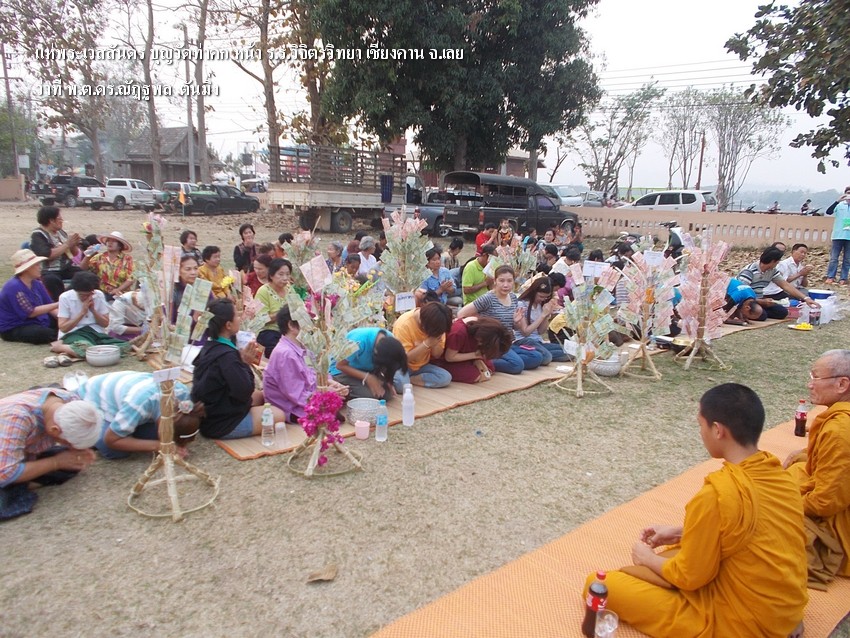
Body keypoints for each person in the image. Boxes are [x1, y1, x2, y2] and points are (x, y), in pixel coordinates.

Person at [590, 383, 808, 638]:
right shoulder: (780, 476)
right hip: (788, 611)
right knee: (681, 549)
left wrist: (646, 558)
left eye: (700, 425)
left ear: (717, 430)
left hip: (743, 624)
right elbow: (754, 532)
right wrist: (682, 532)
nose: (700, 432)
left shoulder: (717, 494)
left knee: (600, 585)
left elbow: (689, 576)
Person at [784, 349, 850, 587]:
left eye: (815, 377)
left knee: (763, 516)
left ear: (842, 384)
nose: (809, 384)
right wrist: (805, 455)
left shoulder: (840, 430)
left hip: (839, 522)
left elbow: (826, 502)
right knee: (791, 472)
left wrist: (781, 505)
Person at [0, 389, 101, 521]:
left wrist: (78, 450)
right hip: (4, 464)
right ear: (55, 430)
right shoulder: (17, 419)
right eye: (68, 442)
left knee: (72, 463)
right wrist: (55, 462)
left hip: (19, 451)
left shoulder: (70, 401)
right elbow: (5, 473)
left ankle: (21, 481)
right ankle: (19, 484)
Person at [191, 299, 284, 439]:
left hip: (214, 410)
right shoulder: (227, 357)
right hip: (222, 423)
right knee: (279, 414)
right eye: (236, 316)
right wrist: (245, 363)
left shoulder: (210, 346)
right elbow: (244, 391)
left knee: (261, 395)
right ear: (228, 325)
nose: (240, 318)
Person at [75, 371, 199, 460]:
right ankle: (89, 427)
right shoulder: (139, 403)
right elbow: (111, 440)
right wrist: (159, 446)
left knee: (148, 436)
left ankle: (129, 429)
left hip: (132, 394)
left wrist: (176, 443)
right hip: (96, 398)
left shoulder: (184, 397)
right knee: (114, 450)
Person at [264, 306, 349, 422]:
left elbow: (315, 373)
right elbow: (296, 395)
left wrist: (331, 383)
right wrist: (326, 392)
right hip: (291, 406)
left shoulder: (303, 346)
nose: (312, 326)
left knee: (343, 398)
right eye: (307, 321)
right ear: (291, 325)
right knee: (332, 418)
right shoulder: (285, 353)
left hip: (307, 396)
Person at [458, 265, 544, 374]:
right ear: (495, 281)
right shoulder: (488, 298)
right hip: (492, 344)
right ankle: (484, 360)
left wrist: (516, 321)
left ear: (513, 282)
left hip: (507, 343)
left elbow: (515, 327)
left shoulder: (513, 297)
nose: (505, 285)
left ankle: (500, 359)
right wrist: (478, 325)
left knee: (537, 357)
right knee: (517, 366)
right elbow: (461, 314)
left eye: (509, 281)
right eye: (501, 281)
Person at [49, 271, 132, 366]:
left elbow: (105, 323)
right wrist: (82, 313)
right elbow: (63, 327)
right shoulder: (65, 297)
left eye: (89, 294)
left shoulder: (98, 295)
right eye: (82, 295)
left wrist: (93, 310)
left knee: (124, 347)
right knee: (86, 349)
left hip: (95, 332)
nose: (86, 297)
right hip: (74, 332)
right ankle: (60, 347)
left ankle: (80, 350)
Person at [736, 247, 819, 320]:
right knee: (761, 314)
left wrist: (806, 298)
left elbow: (785, 285)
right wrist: (761, 301)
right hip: (746, 300)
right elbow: (741, 294)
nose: (778, 263)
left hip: (758, 299)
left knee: (782, 312)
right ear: (773, 261)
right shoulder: (749, 271)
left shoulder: (772, 271)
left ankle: (756, 312)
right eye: (778, 261)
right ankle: (744, 312)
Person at [331, 327, 408, 400]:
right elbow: (340, 366)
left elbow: (389, 364)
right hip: (342, 370)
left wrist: (389, 381)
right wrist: (368, 378)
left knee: (386, 394)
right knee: (371, 396)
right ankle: (343, 389)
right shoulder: (357, 341)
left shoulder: (390, 340)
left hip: (366, 369)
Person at [0, 249, 58, 344]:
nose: (40, 268)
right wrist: (58, 304)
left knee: (60, 322)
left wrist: (61, 318)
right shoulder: (14, 287)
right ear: (27, 268)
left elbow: (48, 304)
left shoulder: (37, 283)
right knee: (42, 333)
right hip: (14, 326)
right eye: (36, 265)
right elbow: (30, 312)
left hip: (34, 320)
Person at [434, 316, 512, 383]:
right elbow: (449, 357)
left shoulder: (481, 328)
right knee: (475, 375)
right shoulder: (458, 332)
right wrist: (476, 355)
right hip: (444, 360)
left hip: (467, 354)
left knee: (490, 368)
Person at [392, 301, 453, 388]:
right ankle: (403, 379)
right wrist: (426, 344)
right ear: (423, 325)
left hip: (422, 366)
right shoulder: (404, 325)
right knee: (401, 386)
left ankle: (411, 380)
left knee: (445, 378)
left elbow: (437, 355)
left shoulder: (438, 325)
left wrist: (434, 343)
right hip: (401, 365)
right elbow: (403, 359)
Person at [29, 205, 81, 301]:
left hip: (66, 268)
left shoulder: (61, 232)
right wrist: (67, 244)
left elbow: (74, 254)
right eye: (59, 219)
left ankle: (67, 296)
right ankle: (60, 301)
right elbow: (46, 255)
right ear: (51, 220)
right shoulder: (38, 235)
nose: (62, 221)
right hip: (48, 270)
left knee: (85, 276)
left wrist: (74, 244)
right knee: (52, 280)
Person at [514, 277, 568, 365]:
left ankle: (540, 353)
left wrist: (546, 316)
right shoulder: (522, 304)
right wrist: (542, 315)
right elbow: (525, 332)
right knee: (547, 357)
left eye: (546, 297)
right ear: (533, 292)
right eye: (541, 296)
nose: (543, 299)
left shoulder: (540, 305)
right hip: (524, 340)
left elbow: (541, 332)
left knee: (569, 351)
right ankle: (538, 354)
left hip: (538, 341)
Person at [81, 231, 135, 300]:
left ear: (120, 245)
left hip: (121, 294)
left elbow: (131, 278)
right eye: (108, 240)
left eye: (114, 241)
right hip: (102, 293)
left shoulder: (127, 259)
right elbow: (82, 269)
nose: (110, 243)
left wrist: (118, 290)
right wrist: (87, 256)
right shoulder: (99, 257)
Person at [255, 258, 291, 357]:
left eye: (287, 274)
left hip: (289, 330)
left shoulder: (289, 289)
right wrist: (282, 313)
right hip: (270, 331)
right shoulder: (263, 291)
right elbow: (260, 319)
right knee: (278, 351)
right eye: (281, 274)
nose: (285, 278)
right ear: (271, 275)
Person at [825, 187, 850, 285]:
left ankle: (843, 278)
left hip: (849, 237)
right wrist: (837, 201)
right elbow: (828, 212)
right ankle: (830, 276)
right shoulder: (839, 205)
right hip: (838, 235)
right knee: (834, 258)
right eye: (848, 193)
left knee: (847, 259)